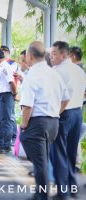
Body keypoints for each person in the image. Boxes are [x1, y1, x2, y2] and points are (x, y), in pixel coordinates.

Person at [20, 41, 69, 200]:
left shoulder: (32, 75)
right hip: (53, 123)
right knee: (43, 160)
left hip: (38, 124)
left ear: (30, 55)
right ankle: (42, 193)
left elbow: (27, 106)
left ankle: (42, 195)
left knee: (39, 161)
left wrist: (23, 125)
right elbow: (66, 99)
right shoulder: (54, 73)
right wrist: (54, 113)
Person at [50, 41, 86, 200]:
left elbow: (61, 97)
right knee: (71, 153)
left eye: (55, 54)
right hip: (77, 113)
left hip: (63, 114)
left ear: (64, 55)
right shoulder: (79, 71)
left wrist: (55, 114)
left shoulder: (58, 71)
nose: (51, 57)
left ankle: (62, 192)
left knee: (59, 154)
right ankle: (72, 188)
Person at [0, 49, 17, 154]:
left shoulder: (5, 67)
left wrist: (14, 94)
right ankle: (0, 143)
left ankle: (6, 145)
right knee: (0, 121)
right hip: (0, 96)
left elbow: (11, 83)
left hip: (5, 96)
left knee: (6, 122)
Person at [1, 45, 18, 145]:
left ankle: (14, 137)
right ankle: (5, 138)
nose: (2, 53)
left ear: (7, 52)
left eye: (3, 52)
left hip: (11, 92)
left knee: (11, 115)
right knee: (4, 117)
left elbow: (10, 73)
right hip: (1, 93)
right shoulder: (0, 64)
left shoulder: (12, 63)